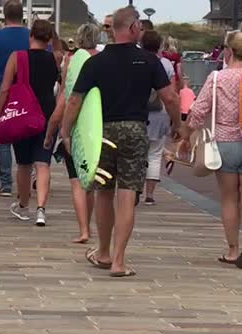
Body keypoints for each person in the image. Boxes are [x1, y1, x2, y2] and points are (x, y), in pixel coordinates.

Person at [60, 6, 181, 277]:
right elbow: (170, 98)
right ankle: (119, 261)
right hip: (135, 131)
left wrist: (66, 132)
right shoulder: (148, 61)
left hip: (102, 132)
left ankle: (103, 252)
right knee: (127, 195)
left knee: (103, 192)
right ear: (134, 27)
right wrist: (177, 125)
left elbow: (75, 101)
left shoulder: (95, 62)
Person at [181, 31, 242, 270]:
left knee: (229, 199)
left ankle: (232, 250)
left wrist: (186, 136)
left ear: (227, 52)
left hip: (226, 144)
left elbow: (198, 111)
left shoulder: (217, 78)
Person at [0, 20, 58, 227]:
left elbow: (5, 88)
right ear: (49, 38)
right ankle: (41, 209)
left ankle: (24, 206)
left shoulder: (17, 57)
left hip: (23, 114)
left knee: (23, 163)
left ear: (30, 35)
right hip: (48, 115)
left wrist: (0, 112)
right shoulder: (55, 58)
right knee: (42, 164)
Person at [45, 23, 101, 244]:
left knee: (77, 182)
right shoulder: (103, 60)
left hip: (76, 128)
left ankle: (84, 230)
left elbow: (67, 98)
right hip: (97, 126)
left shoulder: (73, 60)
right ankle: (90, 227)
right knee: (91, 182)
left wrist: (56, 130)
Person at [0, 0, 29, 197]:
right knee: (26, 138)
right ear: (22, 15)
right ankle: (27, 179)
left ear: (4, 15)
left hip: (4, 91)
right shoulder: (31, 36)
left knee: (4, 140)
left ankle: (6, 183)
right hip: (28, 93)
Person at [141, 30, 175, 206]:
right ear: (160, 45)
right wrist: (175, 120)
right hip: (160, 112)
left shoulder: (137, 60)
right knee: (154, 154)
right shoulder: (166, 64)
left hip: (139, 113)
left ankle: (134, 191)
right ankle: (150, 195)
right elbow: (172, 93)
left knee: (138, 154)